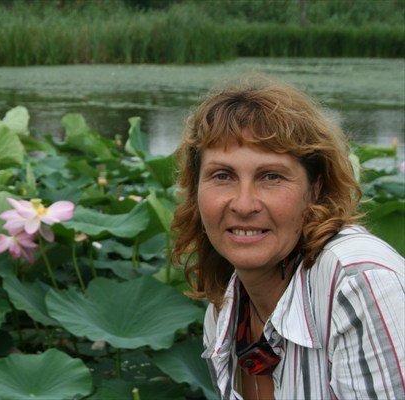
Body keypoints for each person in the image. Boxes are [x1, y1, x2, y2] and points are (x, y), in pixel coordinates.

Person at [171, 74, 405, 400]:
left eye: (271, 176)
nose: (244, 204)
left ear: (315, 189)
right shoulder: (225, 313)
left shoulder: (358, 283)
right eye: (222, 175)